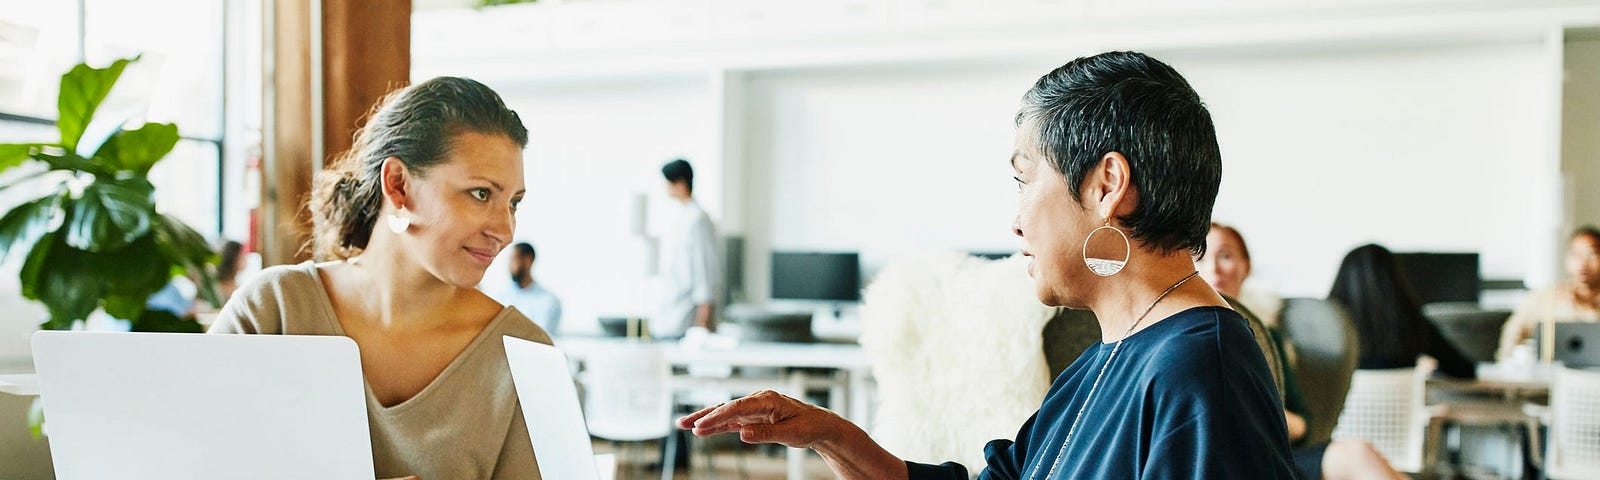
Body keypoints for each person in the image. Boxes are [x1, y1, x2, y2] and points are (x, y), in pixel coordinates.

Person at [677, 51, 1296, 479]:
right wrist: (827, 434)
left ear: (1108, 184)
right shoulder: (1108, 358)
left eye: (1025, 180)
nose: (1016, 221)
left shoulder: (1200, 369)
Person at [209, 77, 547, 480]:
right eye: (480, 194)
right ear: (398, 185)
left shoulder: (523, 354)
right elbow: (185, 461)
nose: (505, 230)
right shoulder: (274, 311)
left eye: (513, 202)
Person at [1200, 223, 1406, 480]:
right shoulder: (1188, 334)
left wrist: (1265, 416)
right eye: (1200, 256)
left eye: (1226, 256)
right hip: (1218, 461)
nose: (1213, 268)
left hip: (1278, 454)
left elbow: (1303, 424)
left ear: (1245, 267)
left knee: (1359, 454)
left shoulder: (1270, 336)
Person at [1328, 244, 1476, 379]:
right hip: (1403, 407)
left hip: (1346, 408)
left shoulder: (1329, 324)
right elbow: (1465, 369)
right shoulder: (1412, 321)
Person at [1496, 226, 1600, 361]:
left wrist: (1586, 308)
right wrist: (1507, 367)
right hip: (1552, 375)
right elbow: (1513, 334)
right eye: (1576, 254)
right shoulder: (1546, 297)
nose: (1583, 264)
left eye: (1591, 254)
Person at [653, 158, 720, 339]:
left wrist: (703, 319)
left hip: (687, 319)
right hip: (670, 316)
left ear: (680, 183)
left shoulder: (698, 220)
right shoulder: (680, 218)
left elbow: (704, 268)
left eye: (668, 182)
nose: (665, 187)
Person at [484, 242, 562, 334]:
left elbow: (540, 337)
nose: (509, 266)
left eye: (513, 259)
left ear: (528, 260)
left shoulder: (548, 301)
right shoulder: (500, 297)